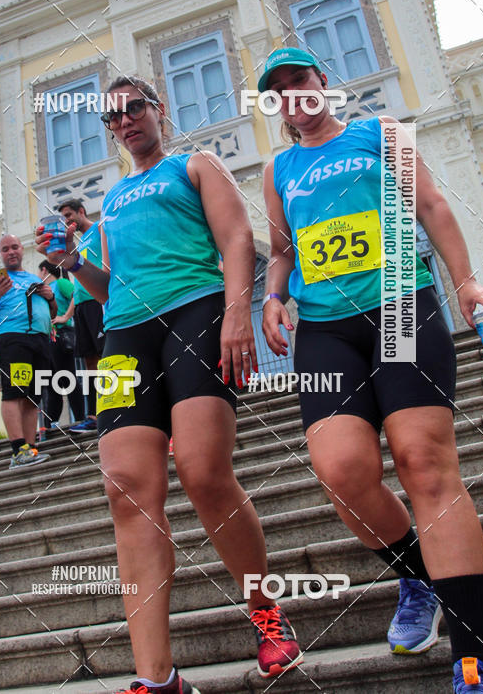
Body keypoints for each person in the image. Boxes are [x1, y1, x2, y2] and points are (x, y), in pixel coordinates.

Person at [37, 75, 303, 694]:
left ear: (157, 110)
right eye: (114, 117)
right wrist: (74, 261)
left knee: (205, 473)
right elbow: (103, 287)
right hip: (127, 333)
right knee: (127, 490)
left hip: (196, 309)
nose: (125, 121)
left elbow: (237, 237)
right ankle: (158, 679)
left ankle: (266, 616)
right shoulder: (115, 199)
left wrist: (239, 311)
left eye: (135, 108)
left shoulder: (195, 164)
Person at [259, 47, 483, 693]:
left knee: (423, 462)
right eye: (277, 90)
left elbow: (433, 207)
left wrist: (466, 281)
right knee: (343, 473)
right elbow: (281, 250)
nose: (291, 93)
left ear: (321, 82)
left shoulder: (379, 132)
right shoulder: (280, 168)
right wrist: (274, 296)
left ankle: (475, 653)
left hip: (398, 304)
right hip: (326, 327)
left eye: (298, 79)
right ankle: (417, 574)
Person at [0, 235, 54, 468]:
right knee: (14, 392)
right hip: (13, 338)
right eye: (5, 249)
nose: (11, 252)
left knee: (33, 396)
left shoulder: (33, 277)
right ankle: (18, 449)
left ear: (22, 250)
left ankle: (30, 448)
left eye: (15, 247)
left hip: (40, 340)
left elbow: (53, 309)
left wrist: (50, 298)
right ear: (0, 254)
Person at [57, 198, 105, 432]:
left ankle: (115, 409)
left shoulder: (99, 229)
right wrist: (67, 315)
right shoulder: (79, 243)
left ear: (81, 212)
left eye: (69, 215)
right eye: (64, 218)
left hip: (100, 301)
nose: (67, 221)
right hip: (83, 306)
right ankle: (94, 415)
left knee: (106, 354)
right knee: (88, 361)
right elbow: (80, 279)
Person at [37, 259, 85, 428]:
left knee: (67, 377)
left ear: (44, 271)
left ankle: (80, 417)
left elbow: (76, 295)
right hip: (49, 339)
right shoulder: (45, 292)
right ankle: (48, 423)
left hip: (62, 336)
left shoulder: (61, 283)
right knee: (51, 382)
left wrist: (65, 317)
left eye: (39, 272)